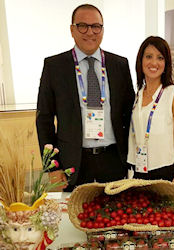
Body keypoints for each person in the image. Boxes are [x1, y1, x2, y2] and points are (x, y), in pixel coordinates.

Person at [36, 4, 135, 191]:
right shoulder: (54, 66)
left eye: (96, 26)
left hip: (114, 160)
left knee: (115, 217)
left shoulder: (120, 65)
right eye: (83, 25)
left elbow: (129, 113)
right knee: (76, 217)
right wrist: (52, 165)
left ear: (103, 30)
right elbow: (44, 119)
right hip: (73, 162)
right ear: (72, 30)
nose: (90, 32)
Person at [127, 36, 174, 189]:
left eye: (160, 58)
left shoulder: (173, 93)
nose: (154, 63)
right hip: (138, 171)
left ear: (166, 63)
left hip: (164, 171)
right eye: (148, 57)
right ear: (141, 61)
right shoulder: (137, 94)